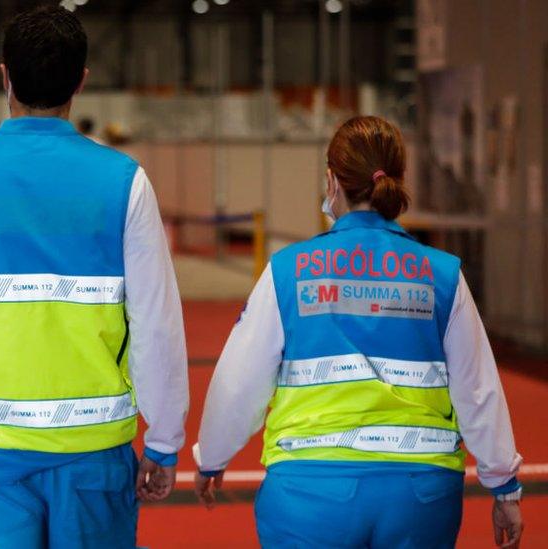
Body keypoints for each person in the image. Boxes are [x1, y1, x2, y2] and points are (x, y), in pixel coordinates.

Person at [0, 6, 188, 548]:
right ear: (81, 82)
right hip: (95, 452)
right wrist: (164, 439)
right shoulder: (126, 183)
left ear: (4, 76)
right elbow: (157, 322)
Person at [193, 115, 524, 548]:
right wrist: (504, 487)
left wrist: (212, 457)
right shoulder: (442, 275)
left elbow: (239, 382)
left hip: (309, 494)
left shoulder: (289, 270)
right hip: (420, 495)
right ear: (398, 181)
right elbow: (478, 389)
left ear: (332, 182)